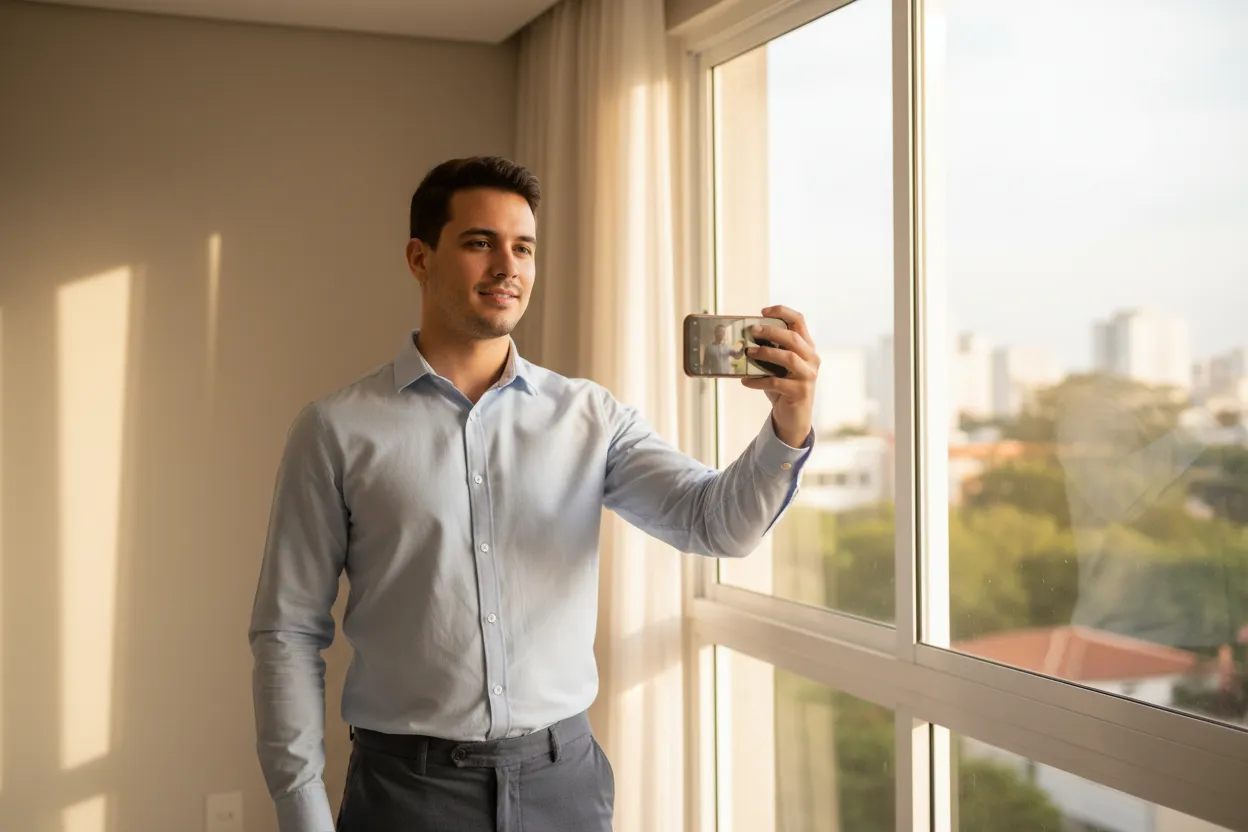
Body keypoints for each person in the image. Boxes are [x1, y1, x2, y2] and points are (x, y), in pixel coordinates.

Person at [248, 156, 820, 832]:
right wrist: (303, 814)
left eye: (523, 247)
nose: (507, 266)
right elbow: (287, 631)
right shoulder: (336, 429)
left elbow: (716, 525)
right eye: (479, 242)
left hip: (565, 787)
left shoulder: (590, 417)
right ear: (418, 257)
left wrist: (790, 422)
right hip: (407, 794)